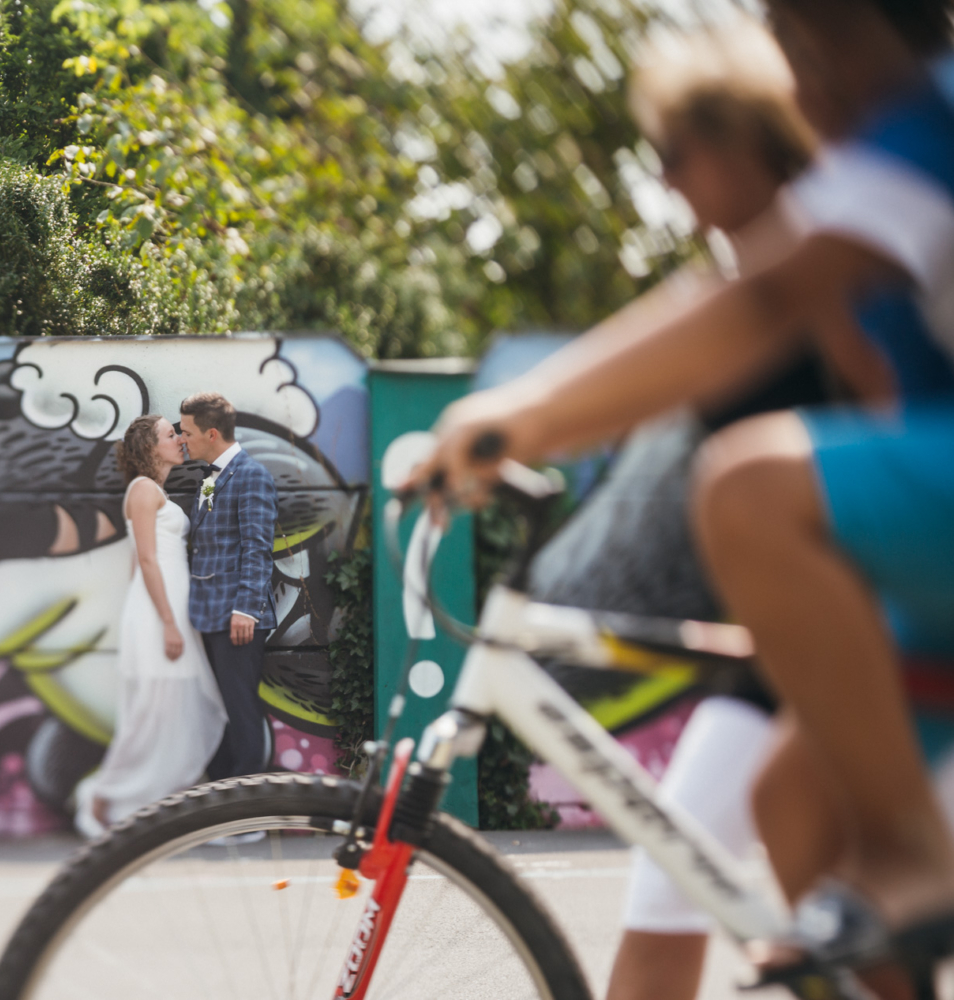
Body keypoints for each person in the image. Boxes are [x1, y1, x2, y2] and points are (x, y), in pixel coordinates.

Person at [413, 0, 954, 971]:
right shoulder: (837, 214)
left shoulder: (908, 155)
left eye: (802, 42)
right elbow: (712, 320)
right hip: (864, 595)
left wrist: (518, 418)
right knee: (789, 808)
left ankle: (913, 854)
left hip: (860, 589)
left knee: (745, 488)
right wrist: (519, 422)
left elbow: (769, 318)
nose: (800, 76)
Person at [513, 20, 830, 1000]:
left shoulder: (820, 269)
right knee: (671, 880)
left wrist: (503, 430)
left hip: (871, 647)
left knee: (850, 920)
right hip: (783, 653)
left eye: (674, 154)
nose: (666, 182)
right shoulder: (742, 284)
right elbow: (635, 380)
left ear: (744, 141)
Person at [74, 416, 226, 839]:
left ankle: (169, 803)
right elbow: (145, 560)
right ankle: (100, 798)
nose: (178, 439)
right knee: (149, 716)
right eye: (169, 435)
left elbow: (137, 561)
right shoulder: (143, 490)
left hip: (166, 612)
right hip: (160, 616)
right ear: (149, 447)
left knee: (179, 711)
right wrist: (165, 623)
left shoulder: (155, 491)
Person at [177, 392, 279, 780]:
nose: (182, 438)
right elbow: (203, 536)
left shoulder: (252, 476)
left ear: (212, 432)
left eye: (186, 431)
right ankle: (219, 795)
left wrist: (246, 609)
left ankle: (247, 810)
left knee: (240, 709)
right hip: (208, 613)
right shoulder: (208, 478)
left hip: (237, 616)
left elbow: (257, 548)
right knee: (219, 710)